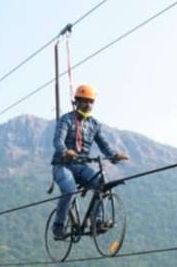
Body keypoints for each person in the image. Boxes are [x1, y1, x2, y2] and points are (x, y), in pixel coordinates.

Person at [51, 84, 129, 239]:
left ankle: (97, 221)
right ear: (77, 101)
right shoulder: (66, 120)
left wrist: (114, 155)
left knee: (102, 183)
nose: (88, 105)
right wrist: (66, 151)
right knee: (70, 190)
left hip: (81, 166)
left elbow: (104, 144)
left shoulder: (94, 125)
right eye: (84, 101)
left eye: (90, 102)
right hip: (63, 165)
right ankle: (58, 225)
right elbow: (57, 141)